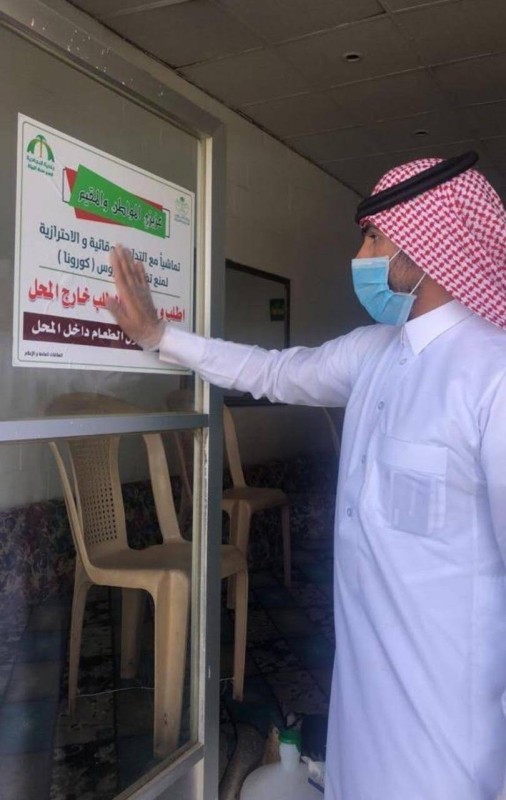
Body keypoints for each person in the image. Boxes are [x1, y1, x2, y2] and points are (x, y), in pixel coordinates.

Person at [107, 152, 506, 800]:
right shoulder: (373, 352)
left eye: (373, 238)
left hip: (455, 731)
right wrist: (160, 336)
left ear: (425, 250)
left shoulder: (493, 375)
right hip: (363, 699)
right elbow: (271, 370)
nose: (359, 255)